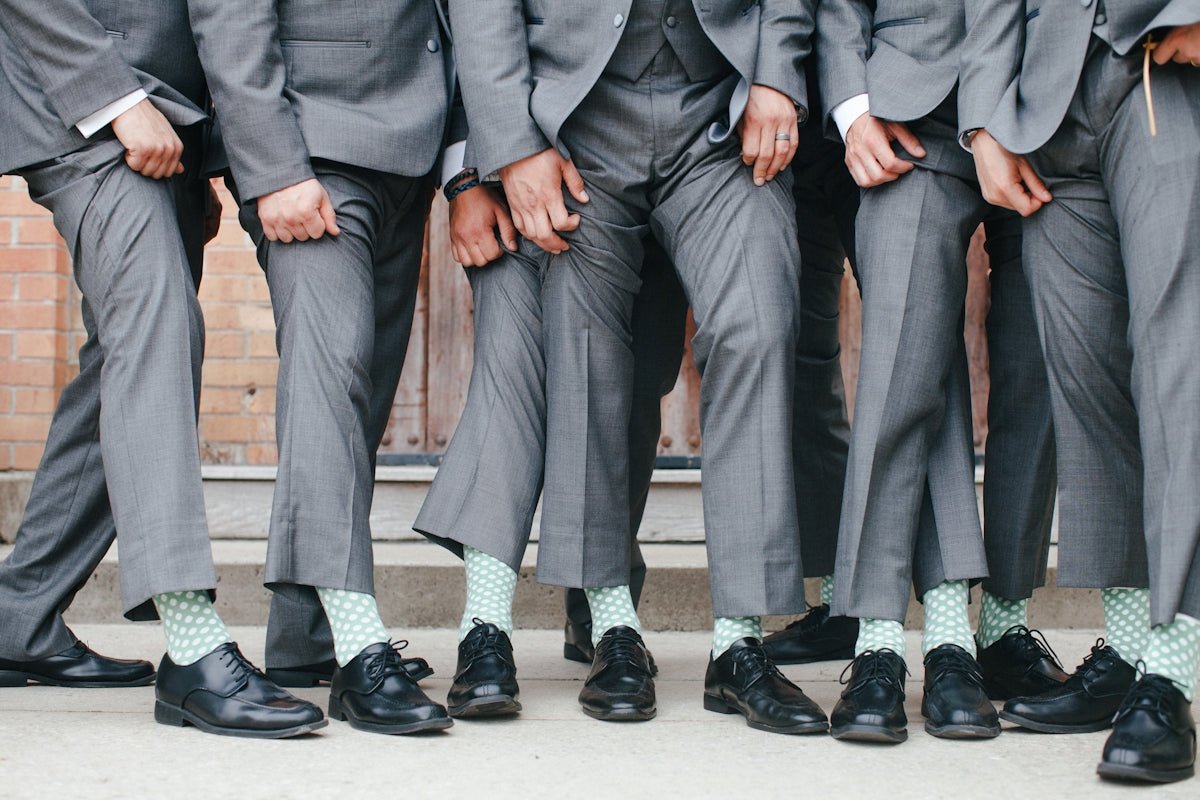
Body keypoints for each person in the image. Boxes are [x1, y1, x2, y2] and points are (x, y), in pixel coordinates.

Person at [417, 0, 828, 733]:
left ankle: (739, 642)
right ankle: (612, 627)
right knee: (583, 358)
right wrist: (511, 146)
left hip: (720, 119)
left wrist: (776, 75)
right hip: (577, 128)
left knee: (757, 327)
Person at [0, 0, 326, 738]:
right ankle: (191, 646)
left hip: (171, 128)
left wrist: (203, 150)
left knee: (124, 361)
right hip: (86, 107)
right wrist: (113, 102)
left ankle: (18, 617)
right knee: (159, 330)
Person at [186, 0, 456, 735]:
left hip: (410, 151)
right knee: (329, 378)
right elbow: (228, 15)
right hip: (312, 148)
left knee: (358, 397)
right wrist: (272, 164)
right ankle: (359, 642)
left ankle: (302, 643)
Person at [817, 0, 1071, 744]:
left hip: (1051, 105)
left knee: (1044, 368)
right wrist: (854, 109)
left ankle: (1002, 625)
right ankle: (880, 640)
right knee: (903, 357)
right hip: (909, 115)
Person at [964, 0, 1200, 783]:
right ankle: (1128, 650)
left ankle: (1174, 670)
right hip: (1050, 98)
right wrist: (984, 120)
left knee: (1179, 373)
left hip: (1166, 77)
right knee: (1090, 389)